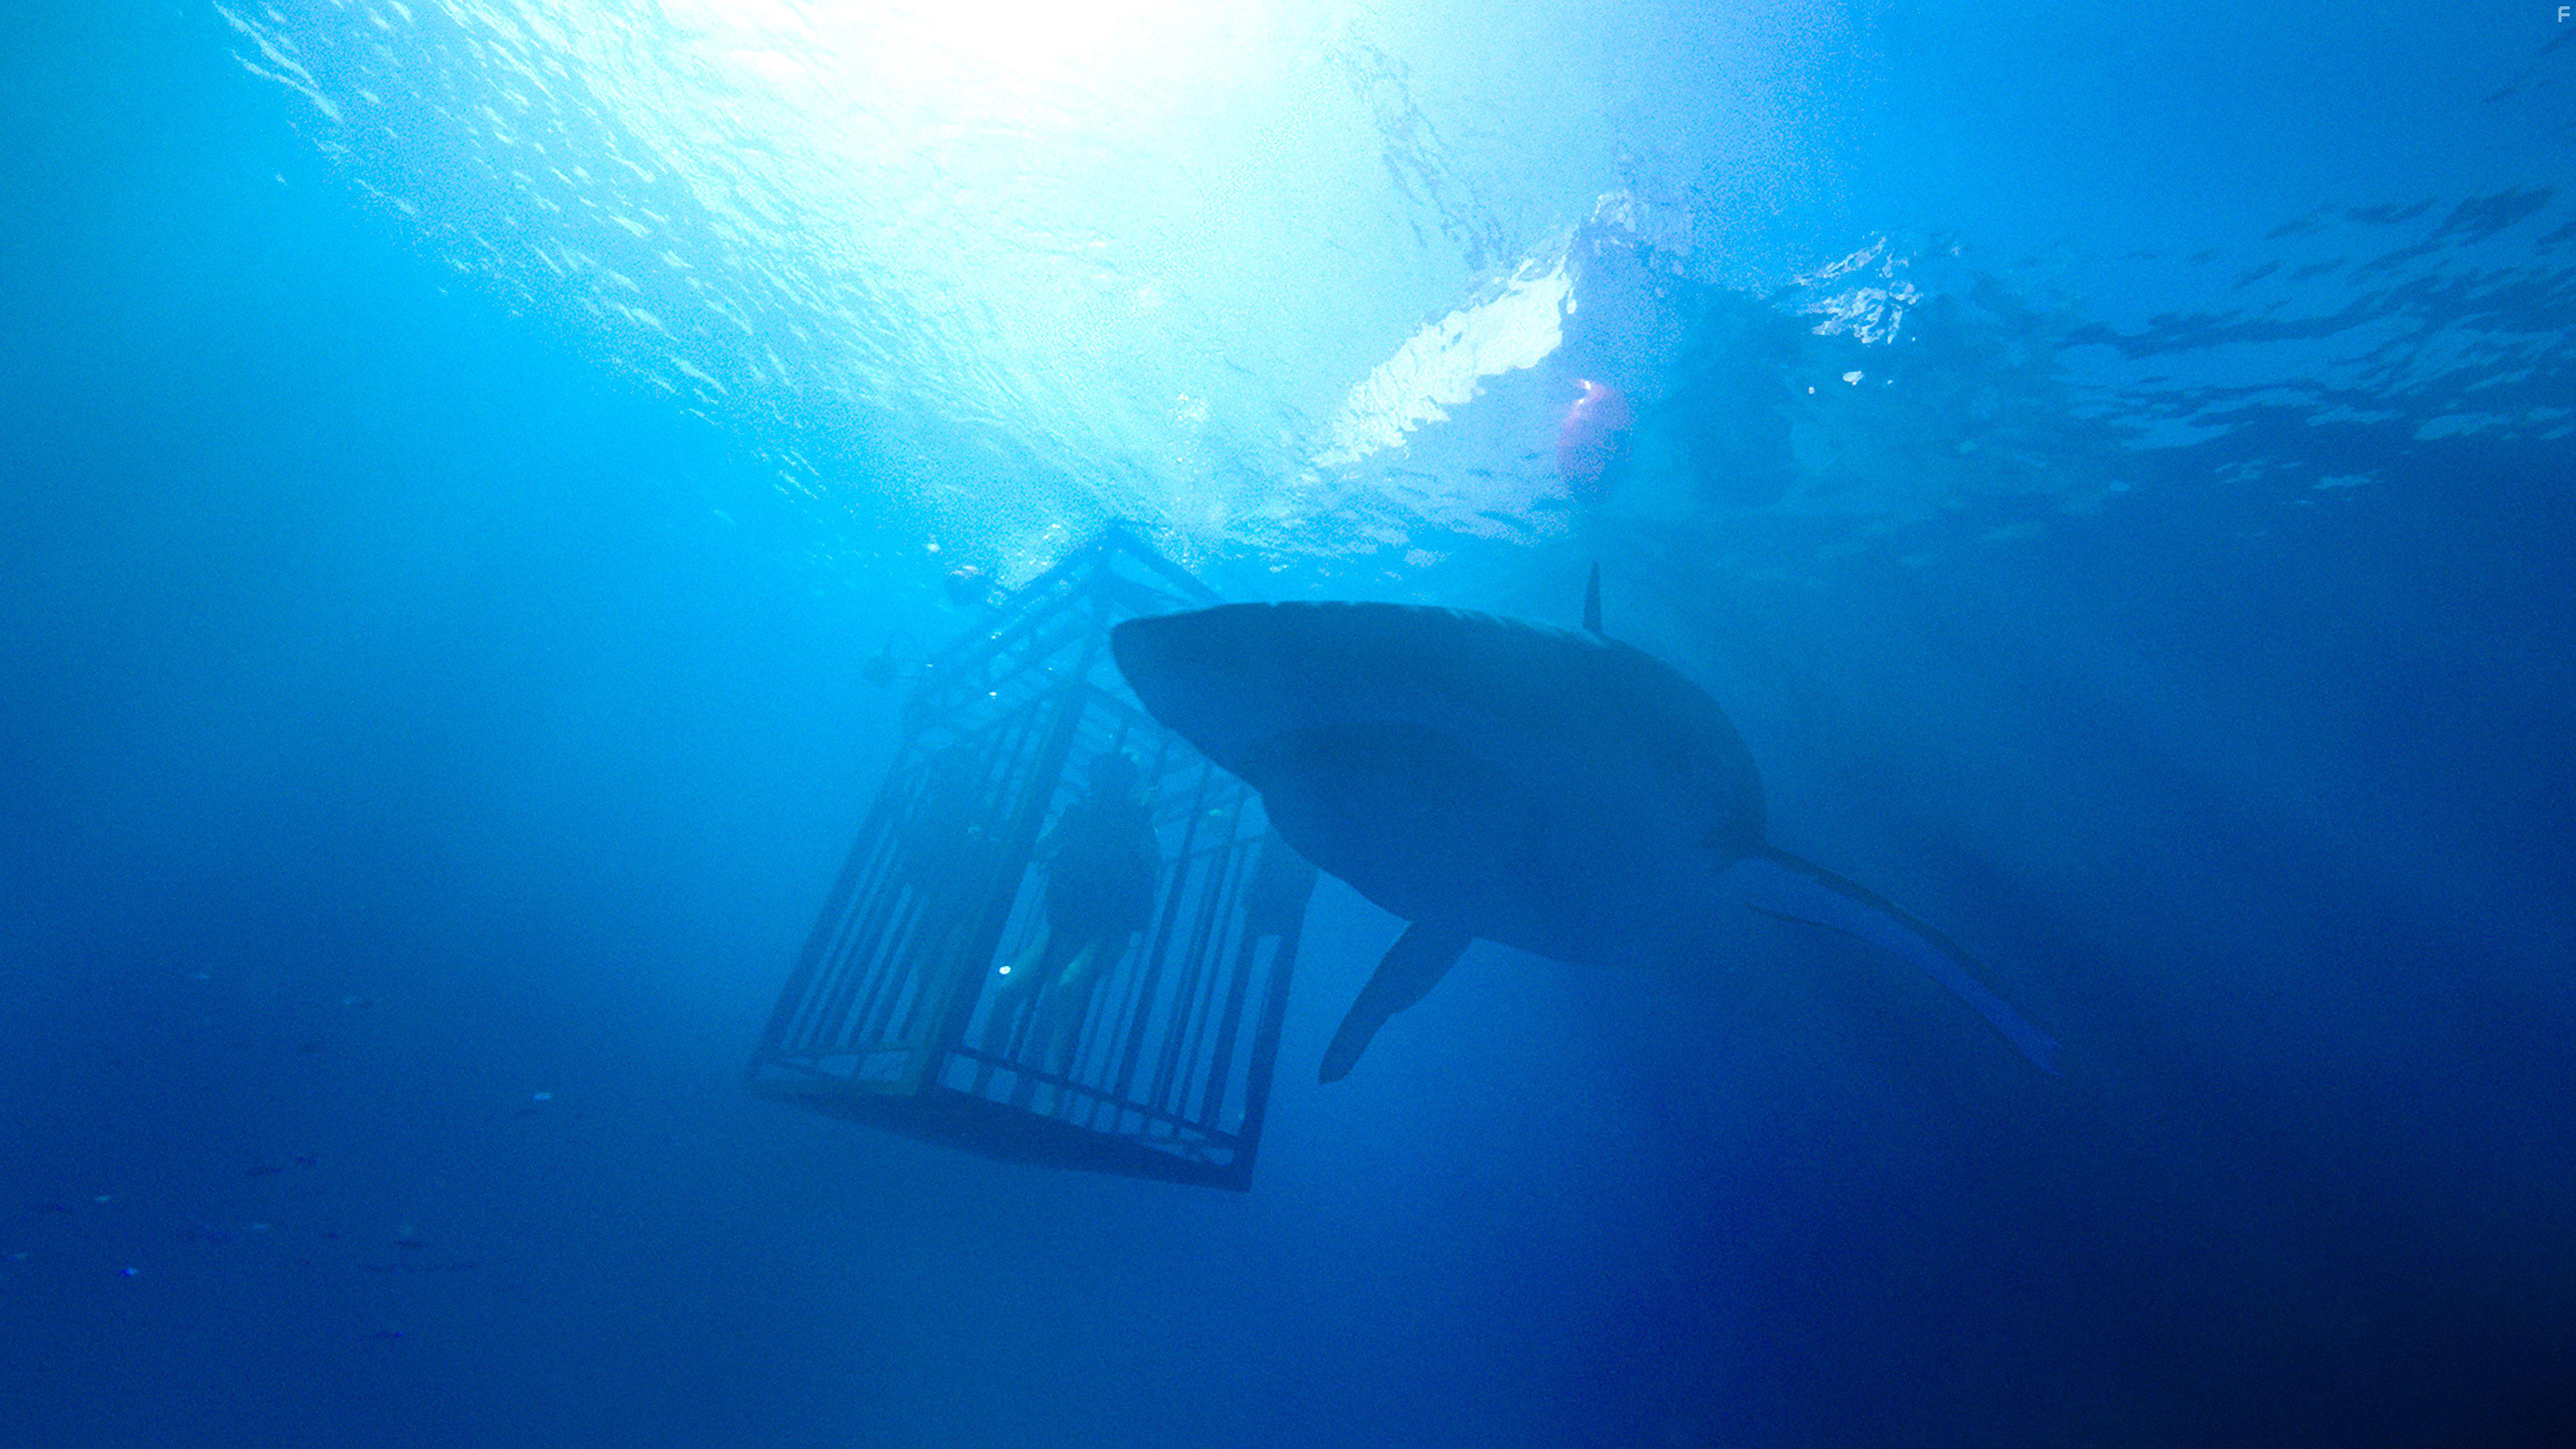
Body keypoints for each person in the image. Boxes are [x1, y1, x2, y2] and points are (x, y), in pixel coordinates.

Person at [980, 752, 1162, 1074]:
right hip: (1063, 923)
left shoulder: (1137, 821)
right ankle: (988, 1071)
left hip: (1107, 928)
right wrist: (1000, 835)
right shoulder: (1079, 815)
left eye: (1107, 776)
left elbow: (1151, 871)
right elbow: (1038, 850)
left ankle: (1052, 1095)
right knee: (1009, 993)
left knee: (1069, 989)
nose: (1100, 782)